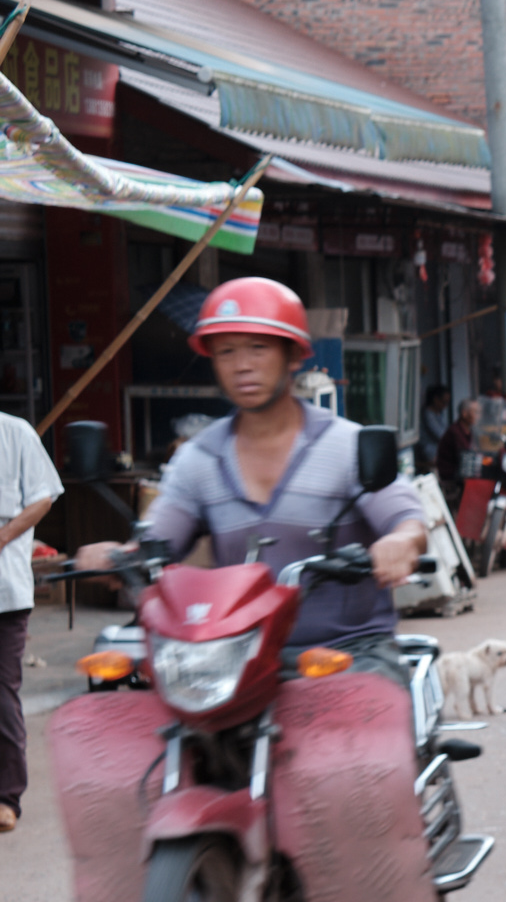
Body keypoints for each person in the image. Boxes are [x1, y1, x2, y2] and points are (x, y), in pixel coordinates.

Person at [76, 277, 427, 683]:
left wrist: (401, 542)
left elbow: (407, 520)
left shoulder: (345, 445)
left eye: (258, 348)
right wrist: (120, 556)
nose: (242, 365)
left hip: (348, 652)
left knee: (371, 732)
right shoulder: (199, 458)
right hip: (234, 659)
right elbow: (160, 540)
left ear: (294, 355)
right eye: (226, 352)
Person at [0, 410, 65, 835]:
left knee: (1, 693)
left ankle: (6, 798)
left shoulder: (15, 432)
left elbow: (44, 495)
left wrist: (4, 536)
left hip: (4, 591)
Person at [434, 396, 480, 505]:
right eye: (476, 412)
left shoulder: (469, 431)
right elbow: (465, 455)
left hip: (462, 471)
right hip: (452, 475)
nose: (479, 416)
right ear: (464, 414)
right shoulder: (455, 432)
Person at [420, 383, 452, 453]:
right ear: (436, 399)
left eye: (447, 403)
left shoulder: (438, 413)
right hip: (431, 451)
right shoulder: (428, 414)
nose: (445, 406)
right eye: (444, 402)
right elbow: (441, 435)